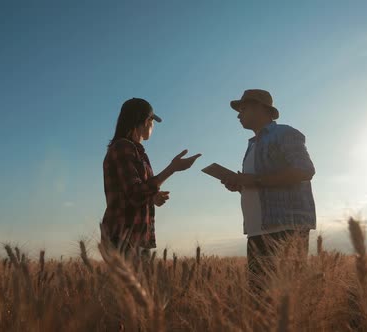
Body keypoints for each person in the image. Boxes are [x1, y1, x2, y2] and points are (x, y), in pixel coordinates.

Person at [222, 89, 316, 293]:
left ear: (259, 108)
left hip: (284, 229)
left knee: (287, 298)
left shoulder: (284, 133)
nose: (238, 115)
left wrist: (253, 180)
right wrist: (241, 186)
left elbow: (305, 170)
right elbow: (261, 186)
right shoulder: (253, 144)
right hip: (257, 230)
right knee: (259, 300)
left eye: (243, 109)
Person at [101, 97, 201, 255]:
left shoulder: (137, 152)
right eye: (152, 122)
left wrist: (152, 197)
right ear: (146, 121)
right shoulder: (122, 148)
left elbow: (133, 193)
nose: (153, 127)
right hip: (123, 237)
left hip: (136, 237)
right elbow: (135, 193)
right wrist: (172, 168)